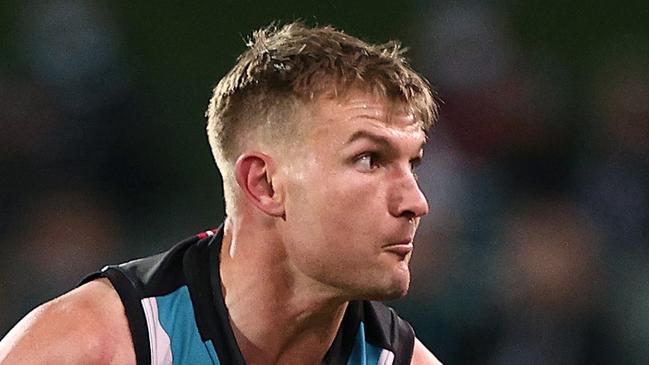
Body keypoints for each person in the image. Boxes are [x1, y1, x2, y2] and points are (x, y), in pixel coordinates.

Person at [0, 22, 442, 365]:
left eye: (413, 163)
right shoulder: (87, 347)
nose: (415, 202)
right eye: (369, 159)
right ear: (264, 184)